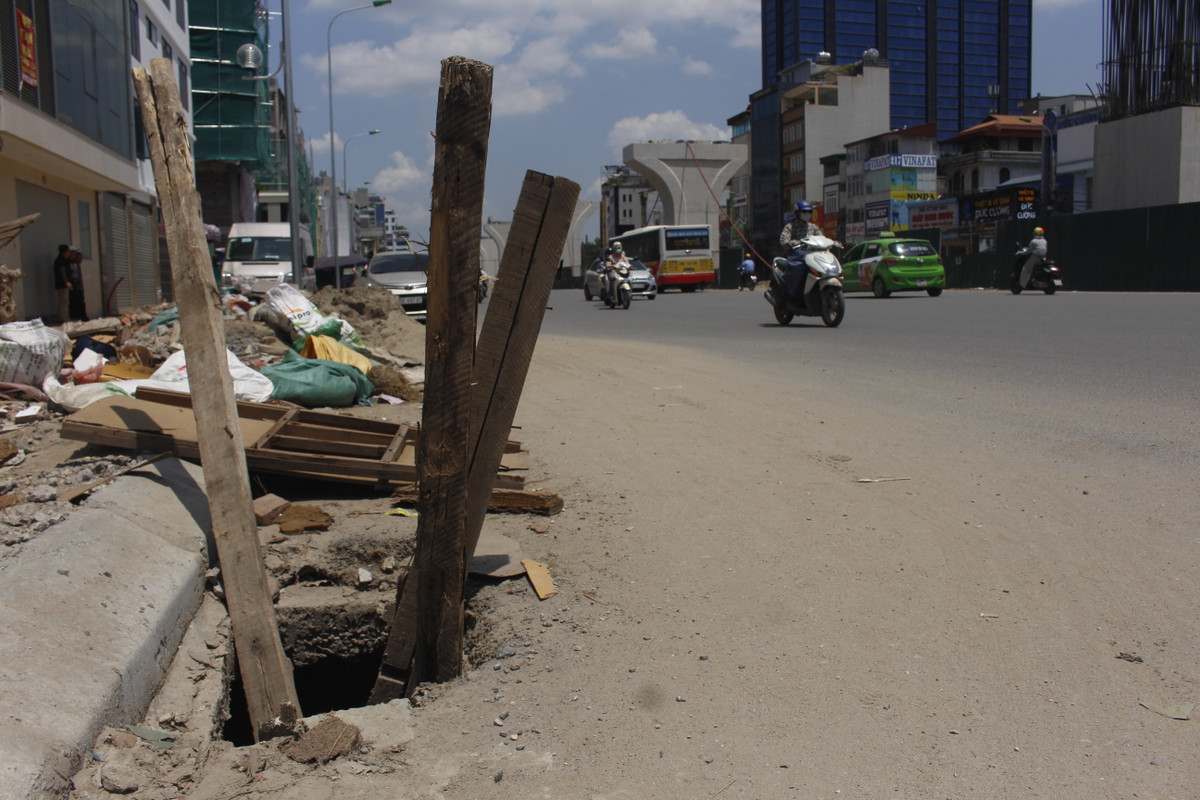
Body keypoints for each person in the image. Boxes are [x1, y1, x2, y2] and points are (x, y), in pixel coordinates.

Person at [778, 201, 823, 301]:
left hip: (813, 256)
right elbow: (783, 240)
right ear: (798, 212)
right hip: (797, 256)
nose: (807, 214)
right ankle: (793, 293)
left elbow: (822, 238)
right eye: (804, 212)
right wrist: (795, 243)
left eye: (809, 212)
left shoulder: (813, 227)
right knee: (797, 269)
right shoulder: (790, 226)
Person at [66, 245, 87, 321]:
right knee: (73, 301)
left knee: (80, 301)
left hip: (78, 286)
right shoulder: (69, 263)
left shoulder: (76, 265)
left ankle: (81, 316)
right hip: (73, 285)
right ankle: (74, 316)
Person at [53, 244, 72, 323]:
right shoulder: (60, 260)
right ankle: (62, 318)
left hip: (63, 284)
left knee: (65, 301)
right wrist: (66, 282)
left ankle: (64, 317)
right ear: (65, 251)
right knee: (63, 301)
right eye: (68, 251)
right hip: (62, 284)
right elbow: (62, 270)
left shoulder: (64, 260)